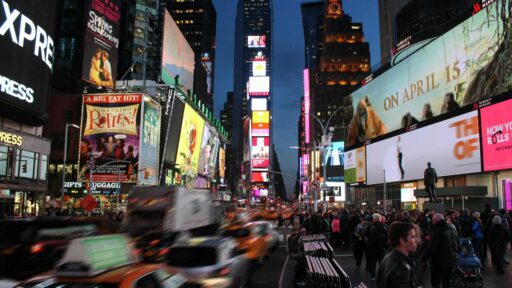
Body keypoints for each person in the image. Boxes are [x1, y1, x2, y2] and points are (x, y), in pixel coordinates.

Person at [422, 213, 460, 288]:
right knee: (447, 282)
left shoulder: (437, 231)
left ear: (436, 221)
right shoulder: (452, 229)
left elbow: (432, 249)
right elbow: (458, 243)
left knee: (435, 282)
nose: (432, 223)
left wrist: (423, 257)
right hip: (452, 260)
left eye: (433, 221)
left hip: (439, 262)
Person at [376, 222, 419, 288]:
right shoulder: (401, 268)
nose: (417, 240)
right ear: (401, 240)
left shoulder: (388, 257)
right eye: (413, 237)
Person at [366, 213, 389, 280]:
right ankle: (382, 275)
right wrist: (386, 245)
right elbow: (388, 237)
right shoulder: (385, 226)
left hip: (372, 247)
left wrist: (369, 244)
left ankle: (373, 276)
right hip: (382, 247)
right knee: (381, 262)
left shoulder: (370, 226)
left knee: (372, 262)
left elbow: (366, 236)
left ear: (374, 219)